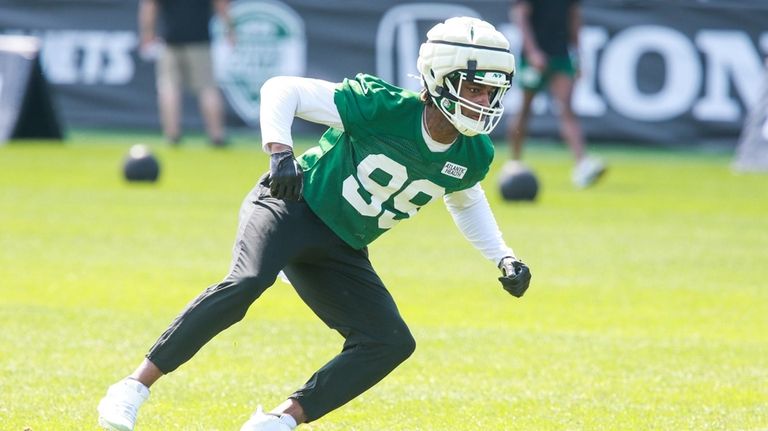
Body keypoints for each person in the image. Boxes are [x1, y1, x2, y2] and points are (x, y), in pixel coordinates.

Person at [97, 16, 532, 431]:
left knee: (390, 341)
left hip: (341, 245)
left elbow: (465, 199)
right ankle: (133, 386)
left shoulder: (473, 153)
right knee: (246, 283)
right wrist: (280, 152)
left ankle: (281, 417)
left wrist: (504, 257)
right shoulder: (383, 107)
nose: (484, 102)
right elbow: (283, 89)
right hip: (291, 203)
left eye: (493, 92)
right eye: (474, 88)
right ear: (438, 78)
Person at [506, 0, 606, 188]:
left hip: (561, 55)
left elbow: (574, 17)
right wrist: (533, 52)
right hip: (534, 57)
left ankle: (582, 165)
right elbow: (520, 17)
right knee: (525, 109)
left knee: (567, 108)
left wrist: (577, 54)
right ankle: (514, 162)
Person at [138, 0, 233, 147]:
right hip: (200, 40)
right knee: (207, 88)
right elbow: (221, 4)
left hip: (170, 39)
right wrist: (230, 30)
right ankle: (217, 135)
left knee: (168, 87)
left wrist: (147, 34)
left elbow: (150, 6)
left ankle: (172, 135)